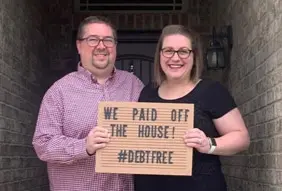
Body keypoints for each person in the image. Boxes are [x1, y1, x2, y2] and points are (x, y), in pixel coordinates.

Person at [32, 16, 144, 191]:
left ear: (115, 46)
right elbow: (43, 144)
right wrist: (84, 146)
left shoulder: (134, 85)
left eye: (108, 40)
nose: (101, 46)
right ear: (79, 46)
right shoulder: (60, 91)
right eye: (92, 40)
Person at [134, 25, 250, 191]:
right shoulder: (147, 92)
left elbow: (241, 138)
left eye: (183, 51)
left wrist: (209, 144)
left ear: (194, 56)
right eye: (168, 50)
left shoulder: (212, 91)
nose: (175, 58)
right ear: (160, 55)